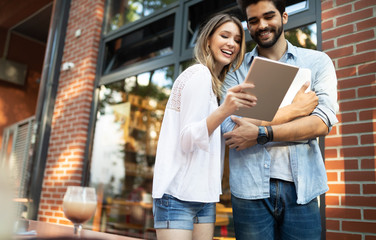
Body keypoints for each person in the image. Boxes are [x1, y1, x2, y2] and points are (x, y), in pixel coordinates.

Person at [221, 0, 339, 239]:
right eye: (253, 21)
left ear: (284, 17)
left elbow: (321, 122)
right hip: (249, 190)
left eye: (268, 16)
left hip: (302, 189)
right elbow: (232, 129)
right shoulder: (234, 71)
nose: (262, 25)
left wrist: (260, 132)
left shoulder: (317, 63)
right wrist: (295, 110)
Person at [151, 14, 257, 240]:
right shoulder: (199, 75)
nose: (232, 43)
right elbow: (187, 139)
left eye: (237, 40)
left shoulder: (215, 86)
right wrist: (224, 111)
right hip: (177, 195)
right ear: (208, 40)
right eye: (224, 36)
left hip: (204, 198)